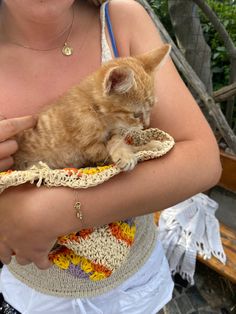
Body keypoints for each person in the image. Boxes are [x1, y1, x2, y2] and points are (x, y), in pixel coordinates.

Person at [0, 0, 222, 313]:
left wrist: (56, 209)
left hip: (134, 288)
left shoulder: (119, 21)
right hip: (29, 294)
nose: (144, 121)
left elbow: (203, 160)